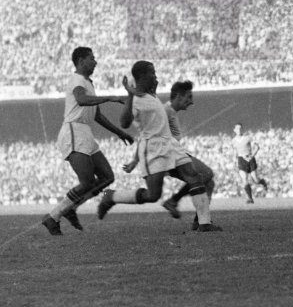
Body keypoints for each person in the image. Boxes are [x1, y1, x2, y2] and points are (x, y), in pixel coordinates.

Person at [96, 61, 221, 232]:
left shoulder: (150, 93)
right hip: (153, 148)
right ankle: (111, 196)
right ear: (141, 76)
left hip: (170, 144)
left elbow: (152, 93)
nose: (156, 76)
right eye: (152, 73)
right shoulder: (134, 99)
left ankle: (205, 224)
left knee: (196, 175)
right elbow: (124, 123)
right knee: (153, 195)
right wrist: (131, 95)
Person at [41, 47, 133, 236]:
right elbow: (82, 100)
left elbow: (97, 114)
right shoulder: (77, 81)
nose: (95, 62)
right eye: (92, 58)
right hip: (74, 130)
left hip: (84, 132)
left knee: (107, 177)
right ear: (81, 61)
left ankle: (69, 209)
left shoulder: (87, 82)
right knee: (87, 181)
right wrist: (109, 97)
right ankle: (53, 216)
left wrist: (119, 132)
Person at [160, 80, 217, 229]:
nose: (191, 102)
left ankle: (200, 222)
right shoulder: (165, 110)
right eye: (188, 97)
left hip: (175, 154)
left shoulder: (171, 112)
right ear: (178, 96)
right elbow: (152, 131)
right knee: (206, 173)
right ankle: (174, 200)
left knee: (208, 182)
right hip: (170, 155)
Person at [232, 123, 268, 204]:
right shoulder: (233, 141)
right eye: (237, 128)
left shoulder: (247, 137)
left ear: (243, 129)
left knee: (255, 179)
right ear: (234, 130)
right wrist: (234, 161)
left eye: (240, 128)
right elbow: (235, 151)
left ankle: (263, 182)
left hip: (250, 159)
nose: (239, 130)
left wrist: (252, 155)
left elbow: (257, 147)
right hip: (241, 160)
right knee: (244, 180)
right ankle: (250, 198)